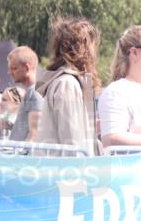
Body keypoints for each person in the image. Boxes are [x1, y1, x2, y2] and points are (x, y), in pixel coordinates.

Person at [36, 17, 102, 155]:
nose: (94, 52)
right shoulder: (67, 84)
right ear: (83, 47)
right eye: (92, 45)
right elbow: (72, 142)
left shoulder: (69, 82)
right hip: (67, 172)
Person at [5, 46, 43, 142]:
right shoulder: (33, 91)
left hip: (21, 154)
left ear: (27, 68)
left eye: (14, 68)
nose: (9, 72)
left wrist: (22, 155)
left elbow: (34, 133)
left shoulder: (34, 92)